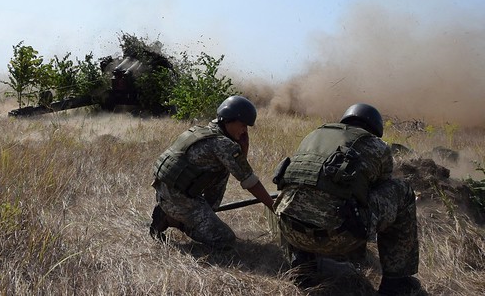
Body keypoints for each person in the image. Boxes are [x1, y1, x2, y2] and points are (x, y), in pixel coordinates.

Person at [272, 103, 422, 295]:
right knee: (402, 191)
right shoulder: (378, 146)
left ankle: (303, 263)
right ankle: (396, 281)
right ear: (374, 128)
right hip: (339, 238)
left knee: (300, 196)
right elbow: (378, 189)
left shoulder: (314, 135)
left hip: (290, 230)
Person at [149, 95, 276, 249]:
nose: (244, 130)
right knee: (225, 239)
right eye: (242, 125)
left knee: (223, 170)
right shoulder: (223, 144)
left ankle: (184, 214)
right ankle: (171, 219)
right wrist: (274, 207)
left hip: (165, 190)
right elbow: (249, 181)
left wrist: (243, 149)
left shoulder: (205, 130)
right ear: (228, 120)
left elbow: (238, 168)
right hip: (177, 198)